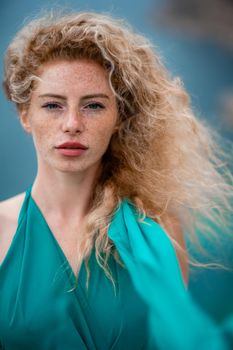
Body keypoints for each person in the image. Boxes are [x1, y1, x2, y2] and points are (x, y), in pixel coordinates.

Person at [0, 10, 232, 350]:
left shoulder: (157, 229)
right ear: (25, 115)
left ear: (118, 117)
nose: (72, 124)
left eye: (93, 106)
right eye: (52, 105)